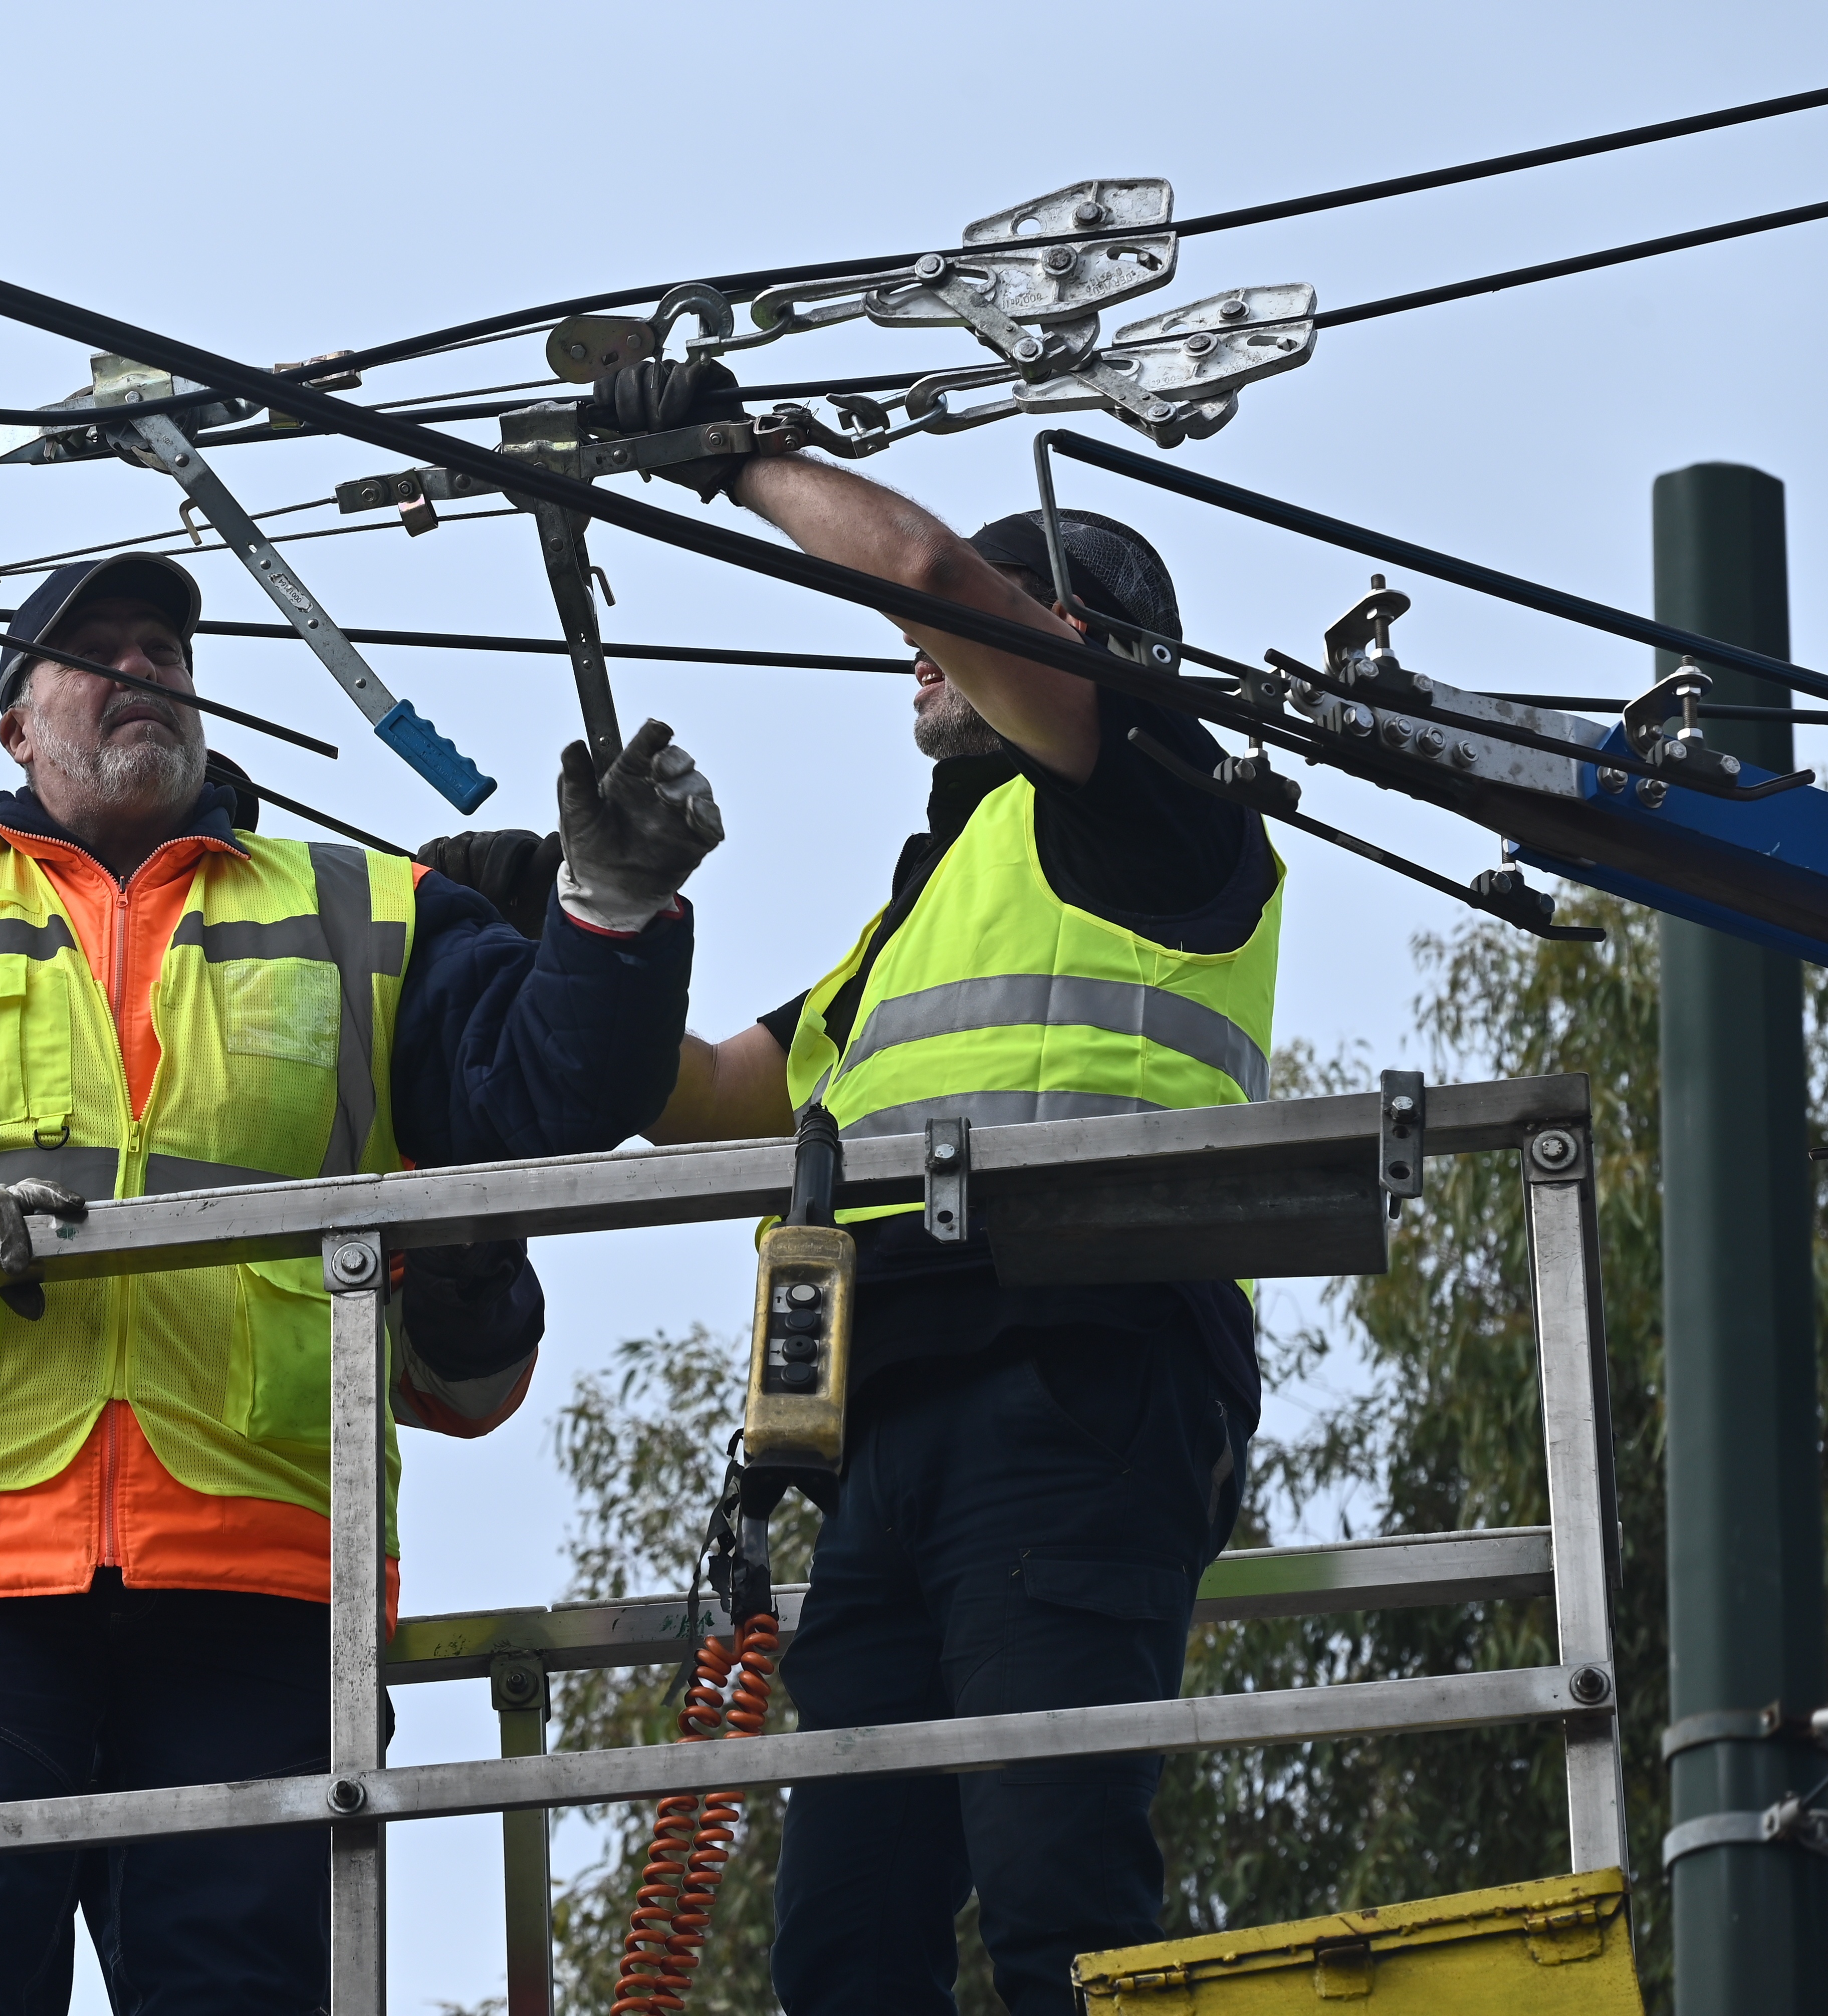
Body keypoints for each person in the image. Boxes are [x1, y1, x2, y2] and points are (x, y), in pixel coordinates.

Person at [0, 446, 722, 2009]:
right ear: (16, 723)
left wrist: (610, 915)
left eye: (168, 653)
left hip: (255, 1570)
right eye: (98, 655)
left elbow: (544, 1093)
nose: (142, 669)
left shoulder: (365, 910)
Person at [423, 360, 1281, 2016]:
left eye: (999, 618)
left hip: (1078, 1374)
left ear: (1084, 647)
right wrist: (582, 931)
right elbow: (706, 1099)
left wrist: (746, 459)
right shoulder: (919, 919)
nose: (927, 650)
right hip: (891, 1434)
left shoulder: (1157, 811)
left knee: (1058, 1896)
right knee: (847, 1949)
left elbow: (937, 581)